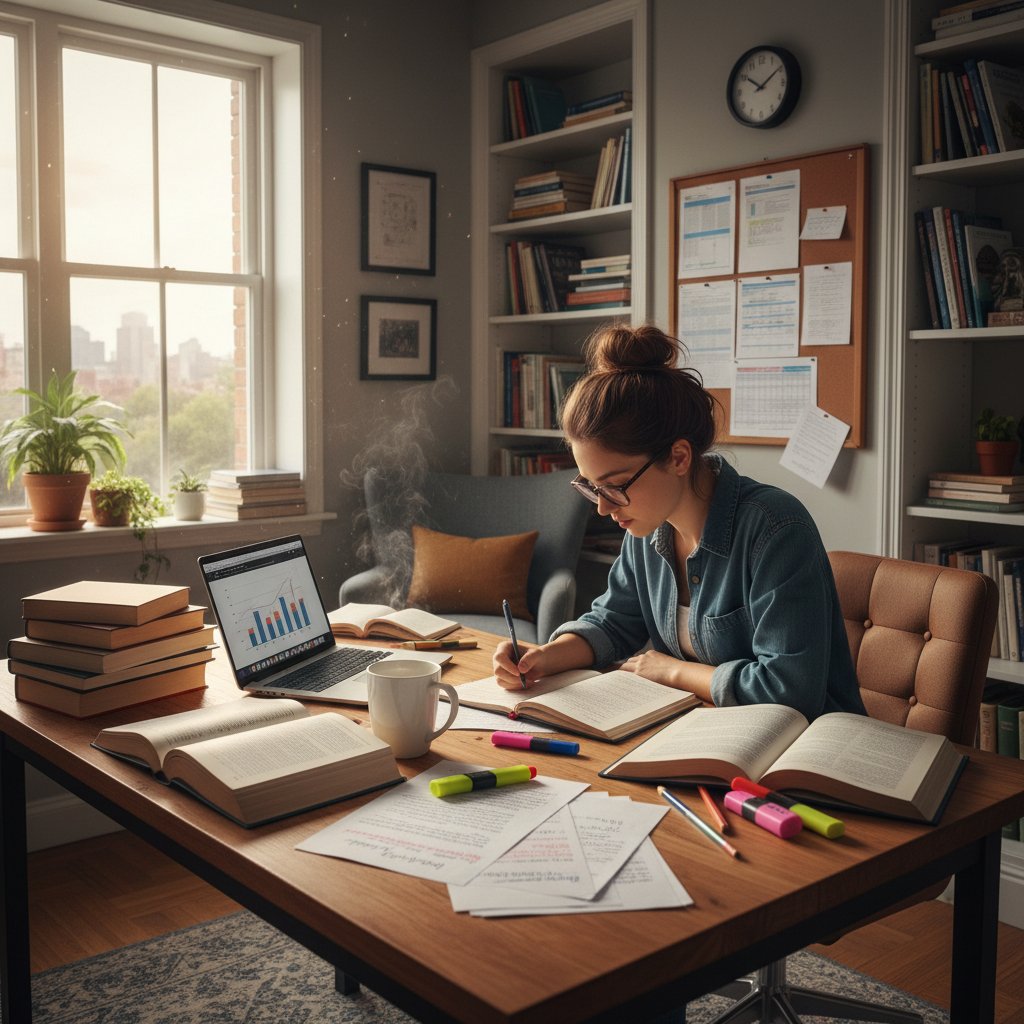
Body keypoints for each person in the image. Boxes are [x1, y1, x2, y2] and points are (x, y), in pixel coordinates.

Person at [492, 323, 866, 722]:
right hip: (702, 728)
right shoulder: (646, 526)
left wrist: (673, 671)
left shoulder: (775, 529)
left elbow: (789, 689)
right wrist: (544, 658)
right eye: (592, 487)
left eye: (615, 486)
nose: (603, 508)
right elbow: (614, 621)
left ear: (679, 458)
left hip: (802, 750)